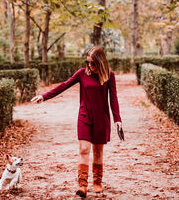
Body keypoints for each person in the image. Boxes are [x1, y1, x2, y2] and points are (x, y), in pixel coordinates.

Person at [31, 46, 122, 197]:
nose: (89, 66)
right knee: (84, 149)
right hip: (85, 116)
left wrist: (117, 119)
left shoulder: (109, 76)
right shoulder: (82, 74)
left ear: (100, 63)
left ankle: (97, 182)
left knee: (98, 151)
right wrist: (44, 96)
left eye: (93, 63)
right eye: (88, 62)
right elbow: (64, 85)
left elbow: (113, 98)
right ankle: (82, 185)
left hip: (101, 117)